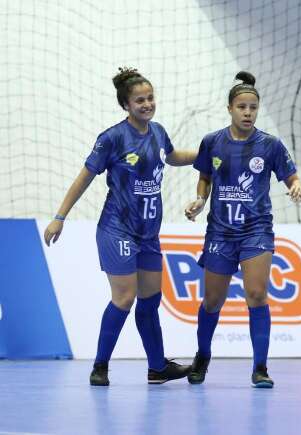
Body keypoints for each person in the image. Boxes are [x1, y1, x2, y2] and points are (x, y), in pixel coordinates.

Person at [44, 67, 196, 386]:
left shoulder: (158, 132)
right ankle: (100, 366)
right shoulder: (112, 138)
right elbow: (84, 178)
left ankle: (157, 367)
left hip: (149, 234)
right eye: (139, 100)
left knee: (151, 300)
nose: (147, 104)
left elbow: (174, 156)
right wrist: (60, 217)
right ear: (126, 105)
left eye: (150, 98)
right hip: (117, 229)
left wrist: (209, 151)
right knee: (124, 297)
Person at [184, 71, 301, 388]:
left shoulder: (270, 145)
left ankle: (260, 367)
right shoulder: (212, 142)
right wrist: (199, 200)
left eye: (253, 107)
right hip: (220, 233)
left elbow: (290, 176)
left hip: (256, 231)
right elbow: (205, 178)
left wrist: (296, 185)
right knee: (212, 301)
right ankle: (202, 356)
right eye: (241, 107)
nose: (248, 112)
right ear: (230, 108)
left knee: (256, 294)